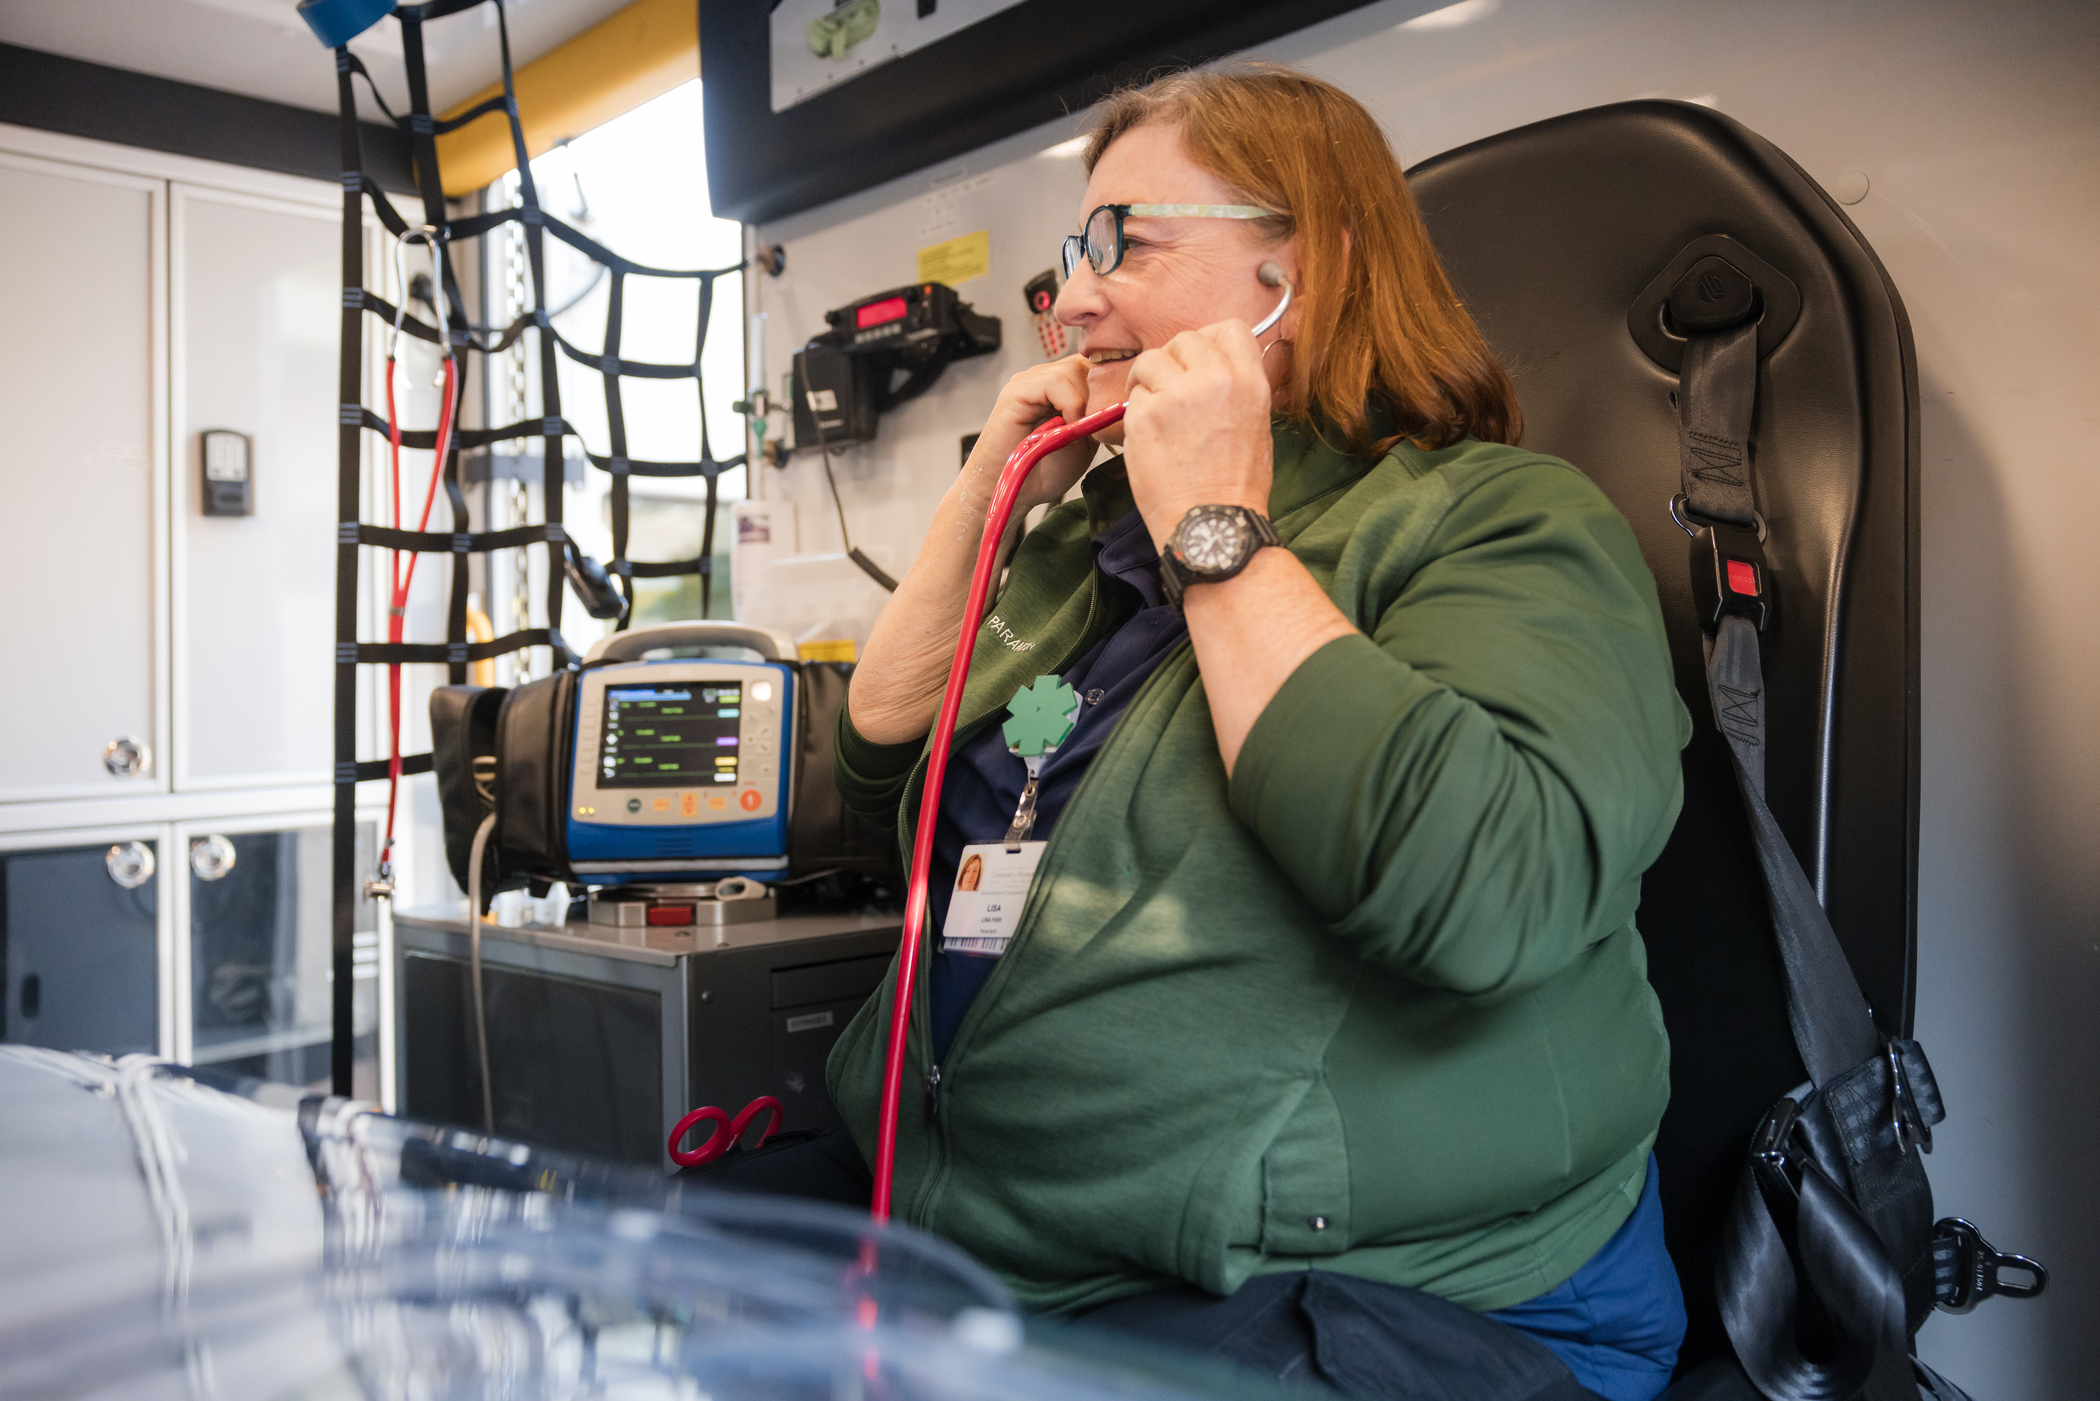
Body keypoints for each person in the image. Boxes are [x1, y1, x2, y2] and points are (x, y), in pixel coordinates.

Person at [744, 64, 1695, 1401]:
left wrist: (1217, 528)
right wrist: (989, 495)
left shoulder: (1501, 519)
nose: (1072, 298)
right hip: (991, 1224)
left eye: (1122, 243)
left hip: (1382, 1287)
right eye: (1075, 251)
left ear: (1305, 271)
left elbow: (1490, 892)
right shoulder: (1091, 539)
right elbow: (876, 765)